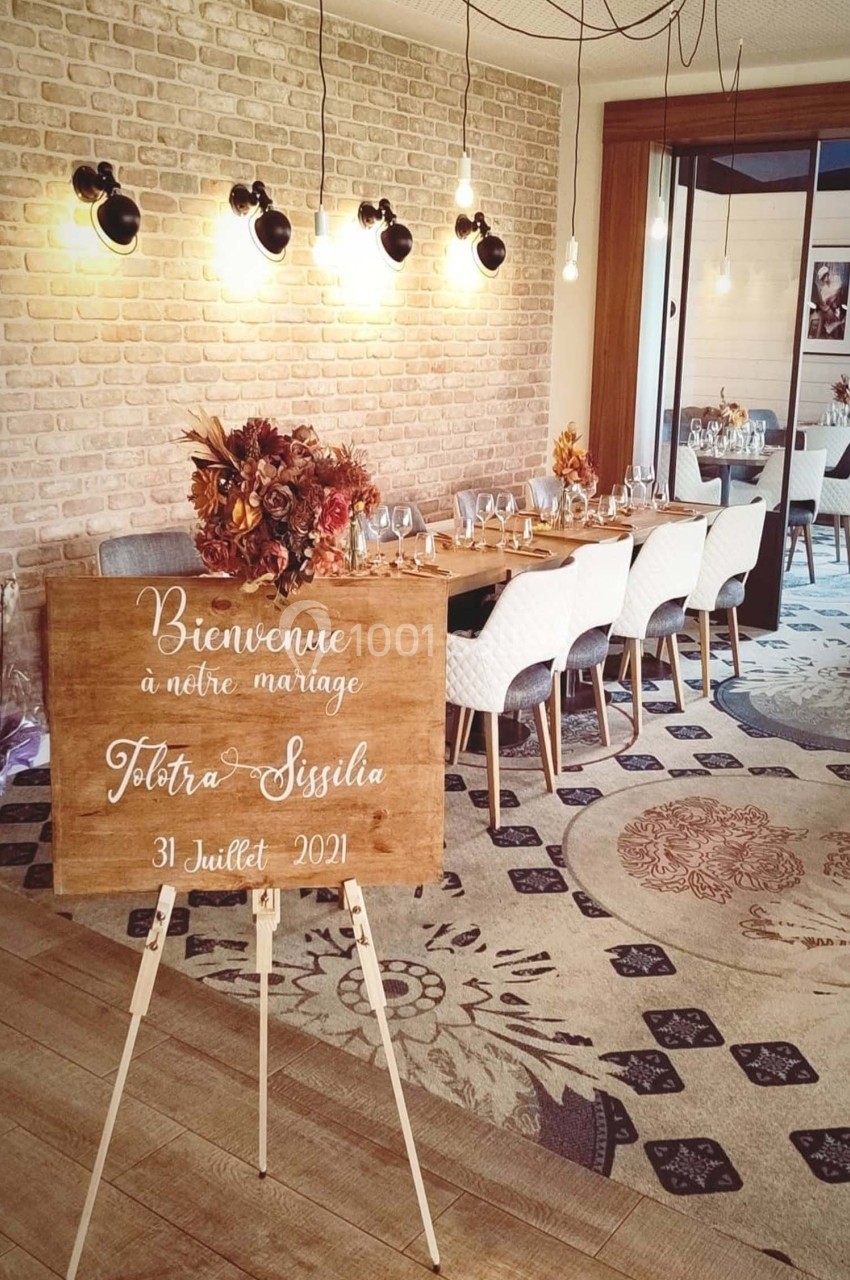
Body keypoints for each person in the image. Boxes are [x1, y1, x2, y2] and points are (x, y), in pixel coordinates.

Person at [809, 261, 848, 341]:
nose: (825, 278)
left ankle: (838, 324)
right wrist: (829, 301)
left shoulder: (836, 278)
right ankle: (833, 326)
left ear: (828, 274)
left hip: (840, 304)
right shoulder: (823, 289)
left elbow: (839, 291)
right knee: (825, 312)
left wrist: (832, 298)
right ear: (821, 279)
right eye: (823, 278)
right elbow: (825, 302)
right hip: (831, 310)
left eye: (826, 275)